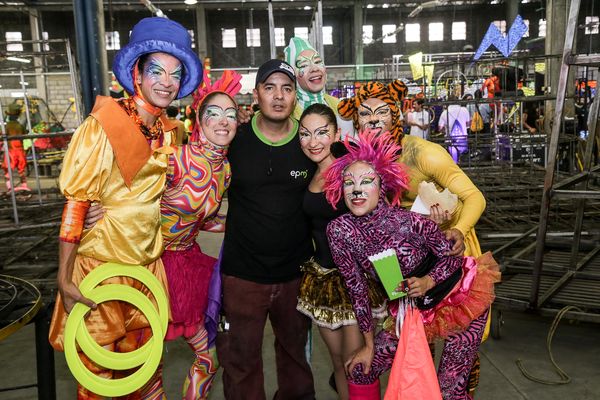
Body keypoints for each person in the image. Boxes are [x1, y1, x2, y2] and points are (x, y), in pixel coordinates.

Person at [48, 17, 202, 399]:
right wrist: (64, 279)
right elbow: (76, 202)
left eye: (175, 73)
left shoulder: (170, 130)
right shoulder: (104, 125)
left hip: (148, 270)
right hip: (102, 270)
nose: (167, 81)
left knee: (145, 374)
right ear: (136, 72)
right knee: (98, 377)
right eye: (156, 71)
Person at [324, 130, 500, 399]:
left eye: (366, 181)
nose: (356, 189)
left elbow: (452, 259)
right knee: (361, 369)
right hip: (411, 309)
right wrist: (368, 344)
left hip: (459, 296)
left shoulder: (410, 221)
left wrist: (429, 280)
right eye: (349, 182)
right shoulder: (339, 231)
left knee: (448, 390)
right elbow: (356, 289)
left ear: (383, 186)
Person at [217, 59, 316, 400]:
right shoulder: (235, 138)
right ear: (256, 94)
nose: (278, 96)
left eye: (286, 89)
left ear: (295, 96)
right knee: (240, 362)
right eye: (269, 88)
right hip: (243, 276)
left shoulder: (309, 144)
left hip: (296, 276)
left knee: (296, 362)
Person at [159, 70, 242, 399]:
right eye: (214, 114)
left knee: (208, 360)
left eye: (231, 115)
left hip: (186, 264)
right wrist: (96, 210)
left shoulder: (225, 170)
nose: (223, 122)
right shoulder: (174, 161)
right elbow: (128, 202)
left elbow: (203, 220)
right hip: (149, 268)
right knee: (145, 364)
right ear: (198, 119)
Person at [295, 103, 387, 399]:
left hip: (357, 282)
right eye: (305, 134)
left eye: (322, 133)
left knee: (356, 363)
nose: (313, 141)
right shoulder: (306, 171)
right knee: (337, 363)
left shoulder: (352, 169)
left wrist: (395, 289)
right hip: (322, 282)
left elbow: (380, 227)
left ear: (336, 133)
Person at [284, 37, 355, 138]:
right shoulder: (286, 113)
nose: (314, 68)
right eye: (304, 65)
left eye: (317, 61)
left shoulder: (339, 106)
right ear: (293, 74)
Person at [2, 102, 29, 192]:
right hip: (20, 151)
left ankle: (10, 188)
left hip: (11, 151)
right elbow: (25, 134)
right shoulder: (20, 126)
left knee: (7, 171)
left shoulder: (7, 126)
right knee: (21, 170)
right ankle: (24, 186)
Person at [437, 95, 471, 163]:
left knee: (453, 160)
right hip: (462, 137)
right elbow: (468, 124)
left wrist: (446, 129)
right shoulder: (464, 110)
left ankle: (455, 167)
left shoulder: (444, 113)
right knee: (463, 158)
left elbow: (440, 128)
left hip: (450, 139)